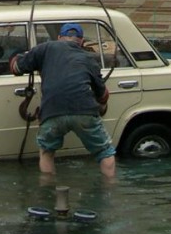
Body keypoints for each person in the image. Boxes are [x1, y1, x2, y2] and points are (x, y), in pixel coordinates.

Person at [10, 22, 116, 178]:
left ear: (59, 37)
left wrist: (18, 56)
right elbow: (102, 95)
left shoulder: (45, 48)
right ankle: (109, 187)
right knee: (105, 151)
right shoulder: (89, 58)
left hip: (52, 112)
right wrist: (102, 103)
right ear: (81, 41)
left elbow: (16, 68)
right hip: (84, 112)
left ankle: (48, 187)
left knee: (47, 152)